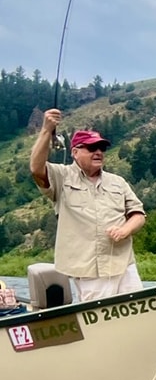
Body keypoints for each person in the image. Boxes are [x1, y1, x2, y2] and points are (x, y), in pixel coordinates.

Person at [29, 108, 146, 301]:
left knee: (139, 315)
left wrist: (126, 229)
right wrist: (46, 130)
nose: (98, 152)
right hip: (88, 271)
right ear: (75, 152)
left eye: (102, 148)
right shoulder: (61, 176)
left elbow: (138, 215)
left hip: (124, 265)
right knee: (101, 323)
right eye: (91, 148)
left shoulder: (118, 182)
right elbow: (36, 168)